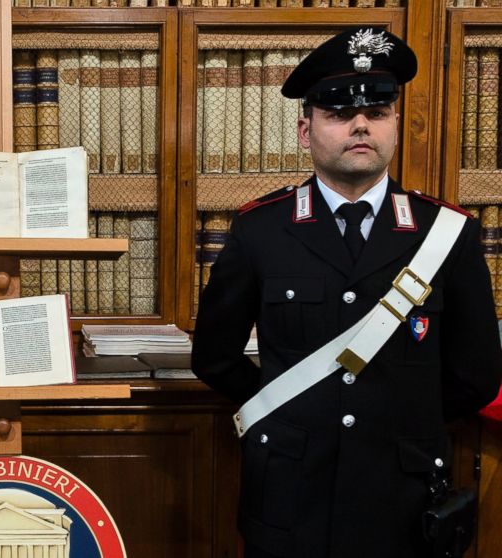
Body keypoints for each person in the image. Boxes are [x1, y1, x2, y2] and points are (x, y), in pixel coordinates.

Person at [191, 27, 502, 558]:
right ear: (305, 131)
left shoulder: (447, 232)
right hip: (290, 492)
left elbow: (475, 375)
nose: (361, 123)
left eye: (378, 111)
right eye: (338, 112)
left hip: (402, 499)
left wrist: (400, 418)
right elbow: (215, 357)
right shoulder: (259, 231)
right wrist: (290, 414)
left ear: (396, 125)